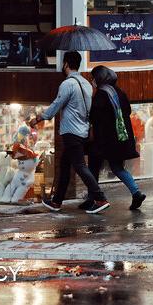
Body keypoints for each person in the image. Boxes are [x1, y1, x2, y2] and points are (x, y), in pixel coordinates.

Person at [29, 51, 110, 214]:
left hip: (71, 131)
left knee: (79, 165)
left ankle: (100, 198)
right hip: (82, 131)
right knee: (65, 165)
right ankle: (57, 201)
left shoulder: (67, 84)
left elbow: (57, 104)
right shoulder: (86, 84)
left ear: (66, 64)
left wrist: (39, 118)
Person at [85, 66, 146, 210]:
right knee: (117, 167)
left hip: (106, 140)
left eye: (93, 78)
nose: (92, 81)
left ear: (99, 78)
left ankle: (93, 199)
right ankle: (136, 192)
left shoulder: (101, 94)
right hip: (121, 137)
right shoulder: (119, 92)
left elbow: (95, 116)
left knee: (93, 167)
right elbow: (128, 110)